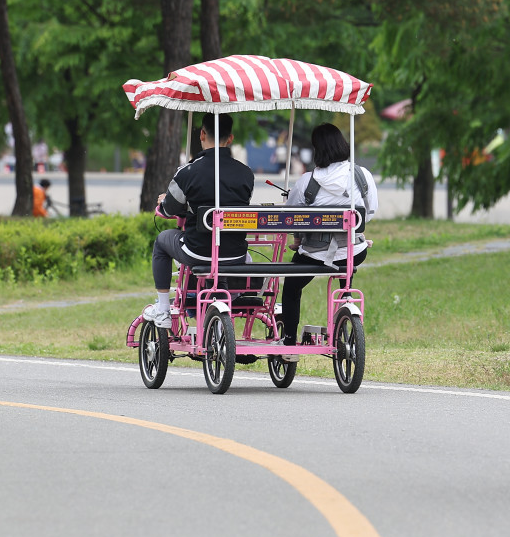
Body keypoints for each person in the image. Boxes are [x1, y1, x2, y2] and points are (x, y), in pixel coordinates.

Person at [276, 123, 378, 360]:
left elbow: (288, 218)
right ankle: (345, 296)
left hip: (315, 254)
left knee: (292, 287)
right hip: (354, 250)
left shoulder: (306, 182)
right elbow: (370, 212)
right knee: (346, 261)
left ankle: (289, 342)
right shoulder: (362, 176)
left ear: (316, 150)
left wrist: (299, 240)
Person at [143, 113, 254, 329]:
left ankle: (163, 309)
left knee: (162, 240)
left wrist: (166, 202)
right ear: (230, 138)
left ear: (202, 134)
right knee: (220, 247)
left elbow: (169, 209)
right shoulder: (246, 174)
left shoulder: (188, 172)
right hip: (235, 253)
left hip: (198, 251)